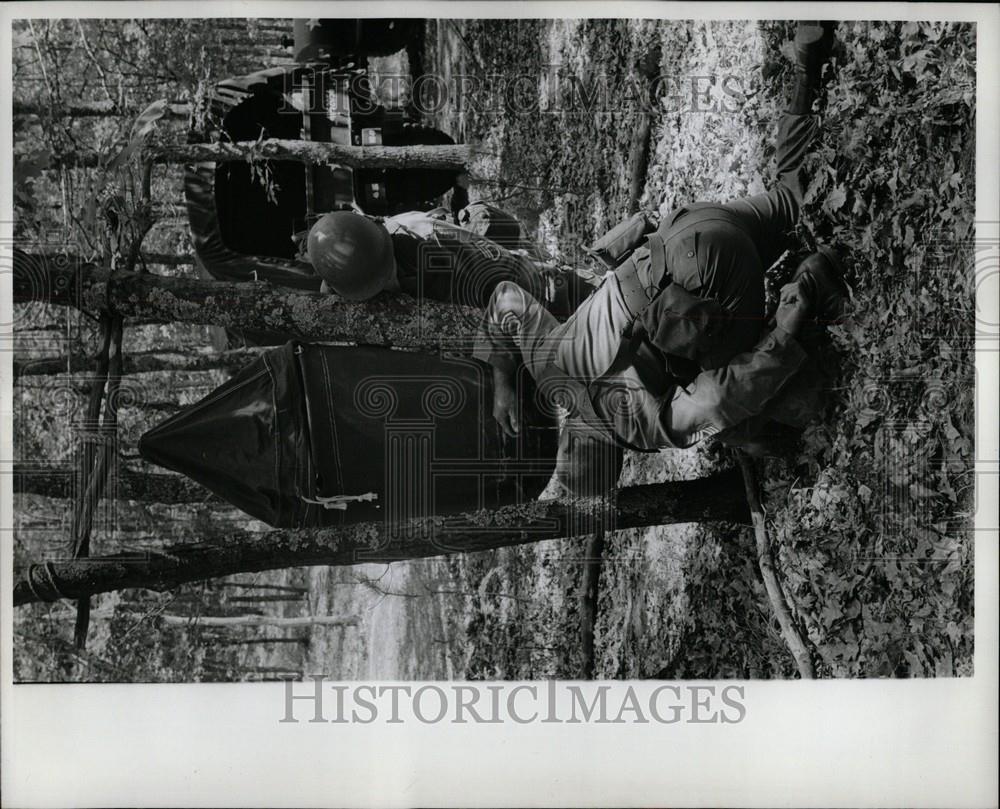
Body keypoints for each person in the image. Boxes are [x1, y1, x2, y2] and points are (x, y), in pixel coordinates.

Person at [472, 21, 847, 493]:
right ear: (567, 435)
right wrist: (503, 374)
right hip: (683, 230)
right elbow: (505, 298)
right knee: (789, 200)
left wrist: (787, 328)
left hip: (717, 277)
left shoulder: (633, 428)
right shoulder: (549, 367)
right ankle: (804, 70)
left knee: (764, 409)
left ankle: (809, 284)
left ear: (615, 456)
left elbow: (716, 399)